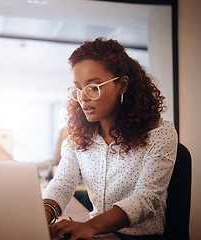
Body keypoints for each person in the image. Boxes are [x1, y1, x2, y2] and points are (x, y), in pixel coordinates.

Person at [42, 38, 178, 240]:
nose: (83, 98)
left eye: (93, 87)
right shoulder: (78, 134)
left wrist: (90, 226)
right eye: (78, 89)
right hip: (99, 235)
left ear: (122, 85)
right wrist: (43, 215)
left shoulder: (160, 133)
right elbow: (62, 183)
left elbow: (147, 199)